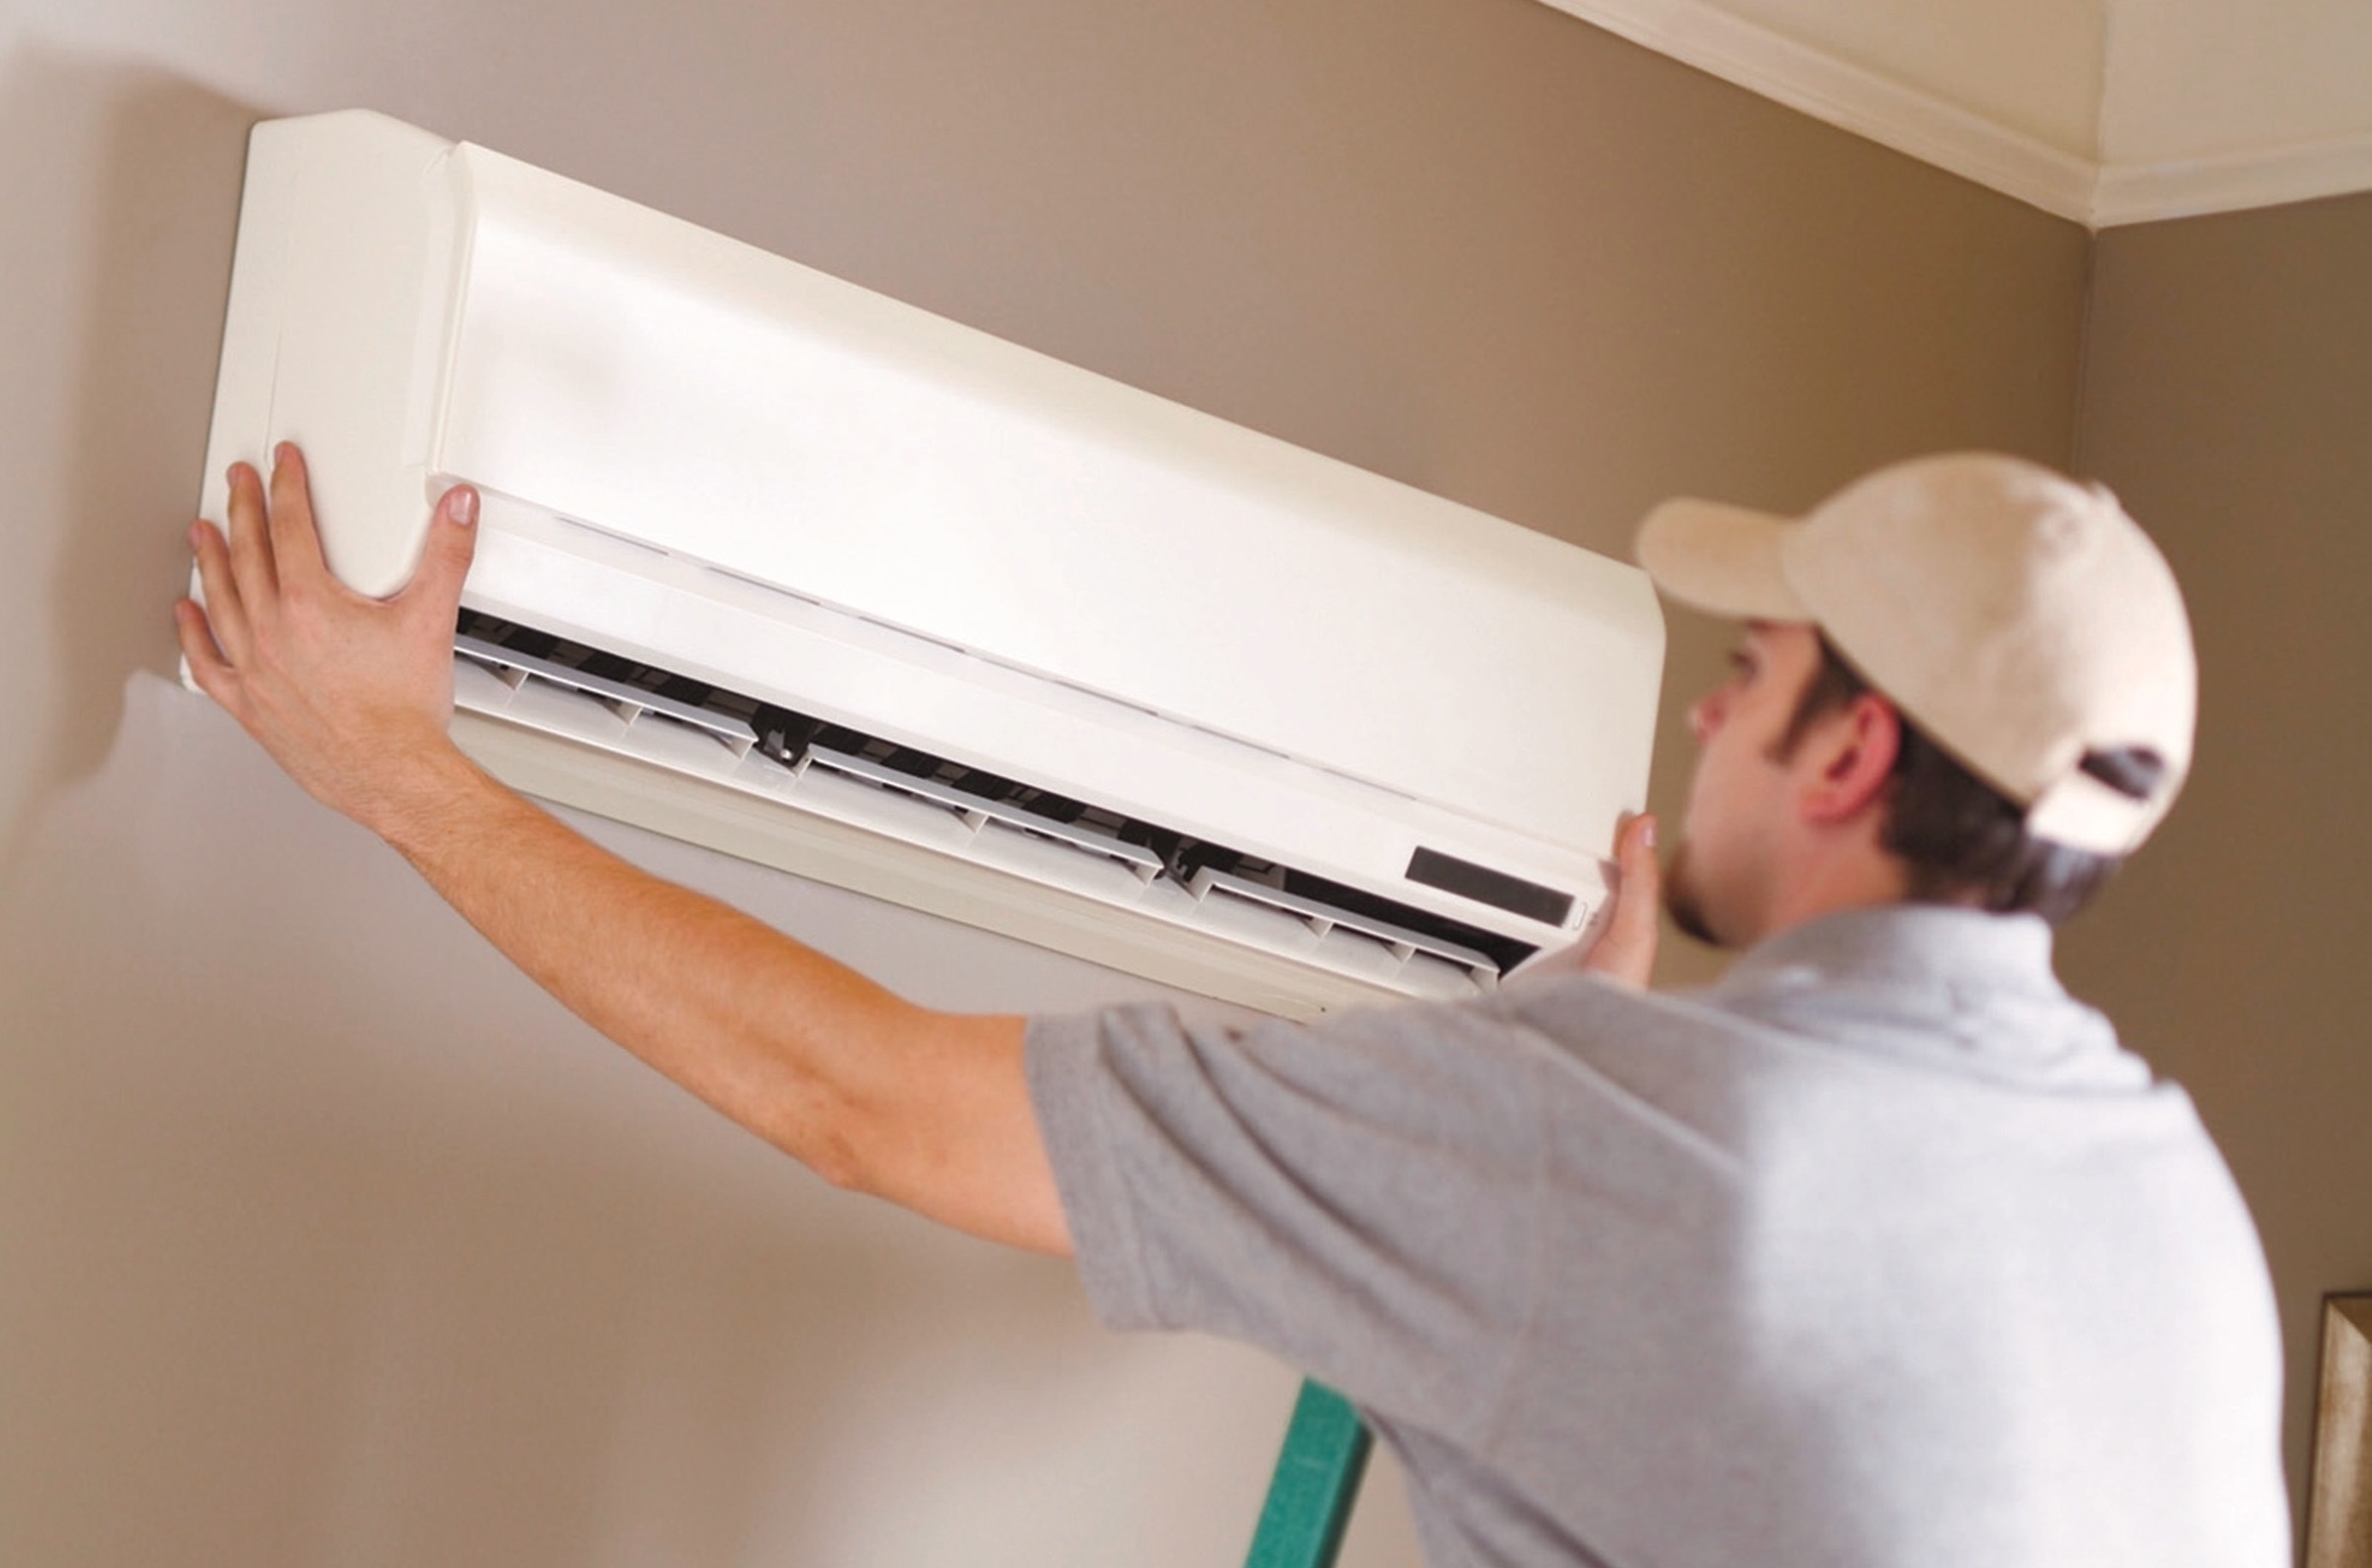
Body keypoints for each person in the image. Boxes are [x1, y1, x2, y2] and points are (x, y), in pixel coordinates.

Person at [176, 446, 2288, 1566]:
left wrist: (400, 773)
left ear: (1848, 758)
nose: (1714, 706)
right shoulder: (2171, 1206)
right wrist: (1552, 1087)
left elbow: (873, 1106)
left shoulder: (1602, 1144)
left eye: (1758, 670)